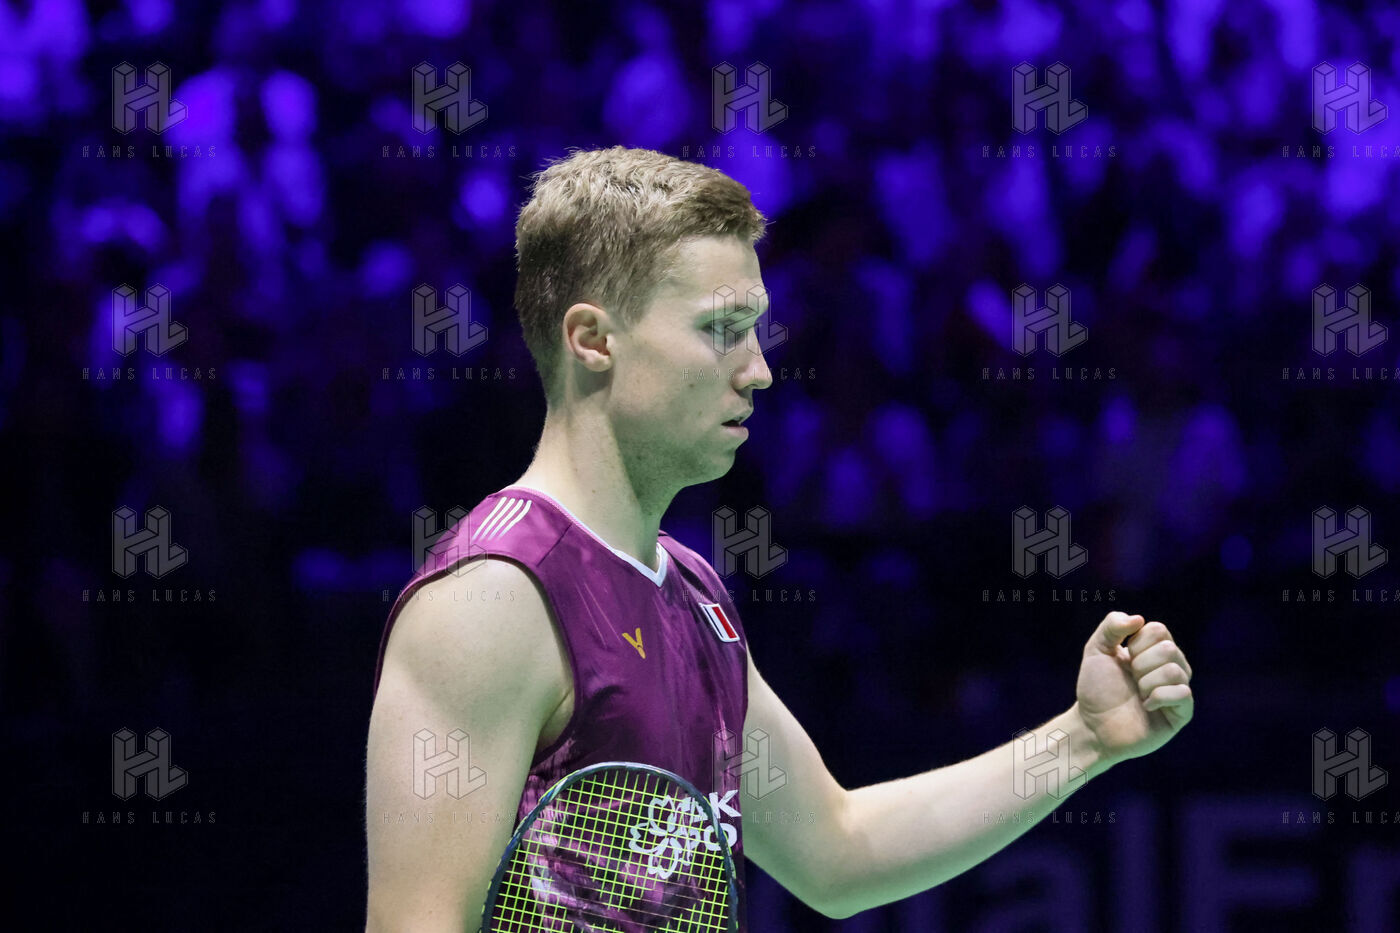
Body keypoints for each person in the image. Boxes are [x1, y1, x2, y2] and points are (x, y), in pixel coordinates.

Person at [363, 145, 1195, 931]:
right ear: (593, 340)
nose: (758, 369)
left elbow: (838, 849)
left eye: (756, 329)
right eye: (721, 329)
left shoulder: (691, 593)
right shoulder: (493, 602)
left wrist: (1083, 739)